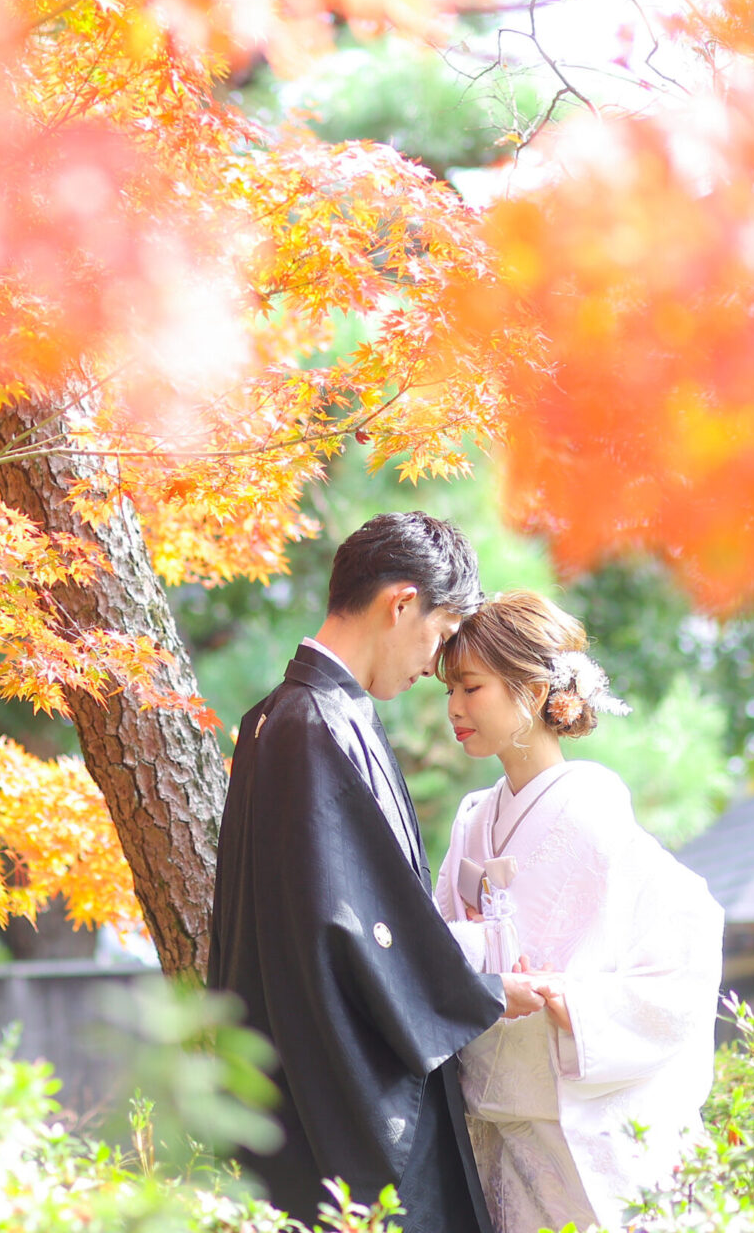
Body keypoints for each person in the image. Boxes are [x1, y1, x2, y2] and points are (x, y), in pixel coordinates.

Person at [208, 513, 559, 1233]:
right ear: (401, 604)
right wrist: (483, 990)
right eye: (437, 635)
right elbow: (355, 927)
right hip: (347, 1102)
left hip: (289, 1084)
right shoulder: (320, 726)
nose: (433, 665)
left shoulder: (275, 718)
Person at [435, 591, 724, 1233]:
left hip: (570, 1110)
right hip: (493, 1113)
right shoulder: (472, 820)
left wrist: (583, 1006)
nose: (453, 708)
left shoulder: (594, 812)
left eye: (471, 687)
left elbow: (687, 936)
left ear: (534, 688)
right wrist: (479, 954)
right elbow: (438, 944)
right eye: (447, 689)